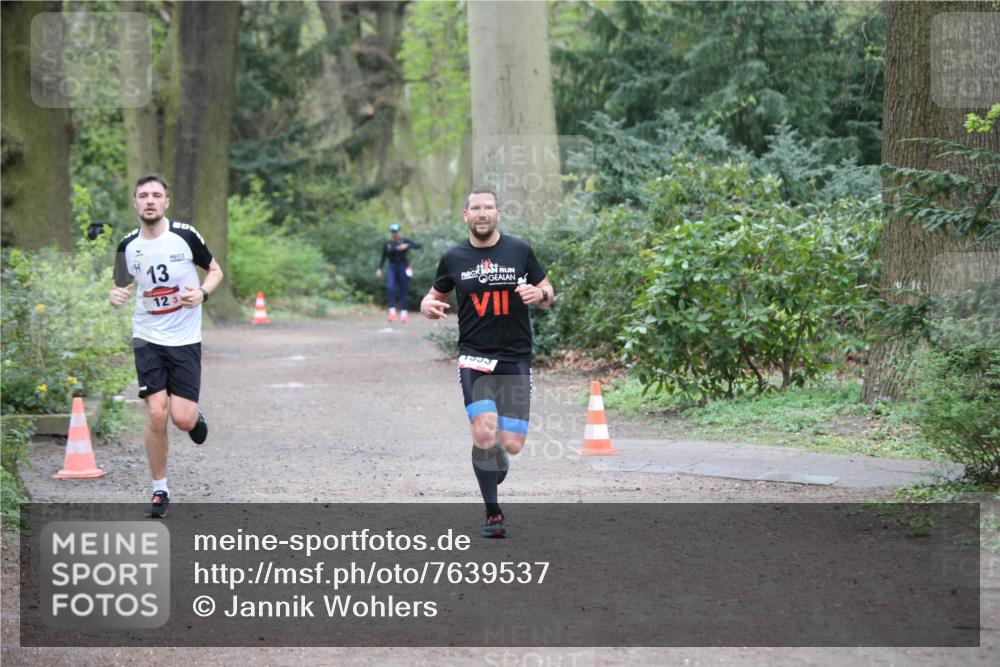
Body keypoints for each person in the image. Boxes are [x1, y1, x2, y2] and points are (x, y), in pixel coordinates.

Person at [420, 188, 554, 538]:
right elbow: (434, 296)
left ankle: (497, 454)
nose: (482, 213)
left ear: (499, 213)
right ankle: (493, 514)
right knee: (482, 430)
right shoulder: (453, 257)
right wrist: (426, 306)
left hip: (514, 357)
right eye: (475, 208)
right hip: (474, 356)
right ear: (465, 215)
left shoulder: (520, 250)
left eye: (488, 207)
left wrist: (539, 294)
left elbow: (547, 291)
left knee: (511, 444)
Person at [108, 174, 224, 518]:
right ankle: (160, 489)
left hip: (185, 338)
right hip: (147, 337)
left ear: (166, 203)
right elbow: (121, 286)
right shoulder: (127, 245)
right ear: (135, 203)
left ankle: (193, 415)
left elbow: (215, 271)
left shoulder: (186, 236)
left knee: (181, 419)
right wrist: (115, 295)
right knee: (156, 413)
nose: (149, 200)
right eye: (143, 195)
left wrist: (202, 293)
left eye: (156, 195)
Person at [377, 223, 421, 322]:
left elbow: (418, 246)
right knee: (390, 287)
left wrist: (408, 245)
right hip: (392, 267)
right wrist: (379, 268)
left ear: (399, 232)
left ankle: (404, 314)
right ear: (390, 232)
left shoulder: (404, 241)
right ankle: (392, 313)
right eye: (393, 232)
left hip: (403, 266)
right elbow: (383, 257)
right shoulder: (388, 244)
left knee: (403, 289)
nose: (394, 233)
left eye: (396, 231)